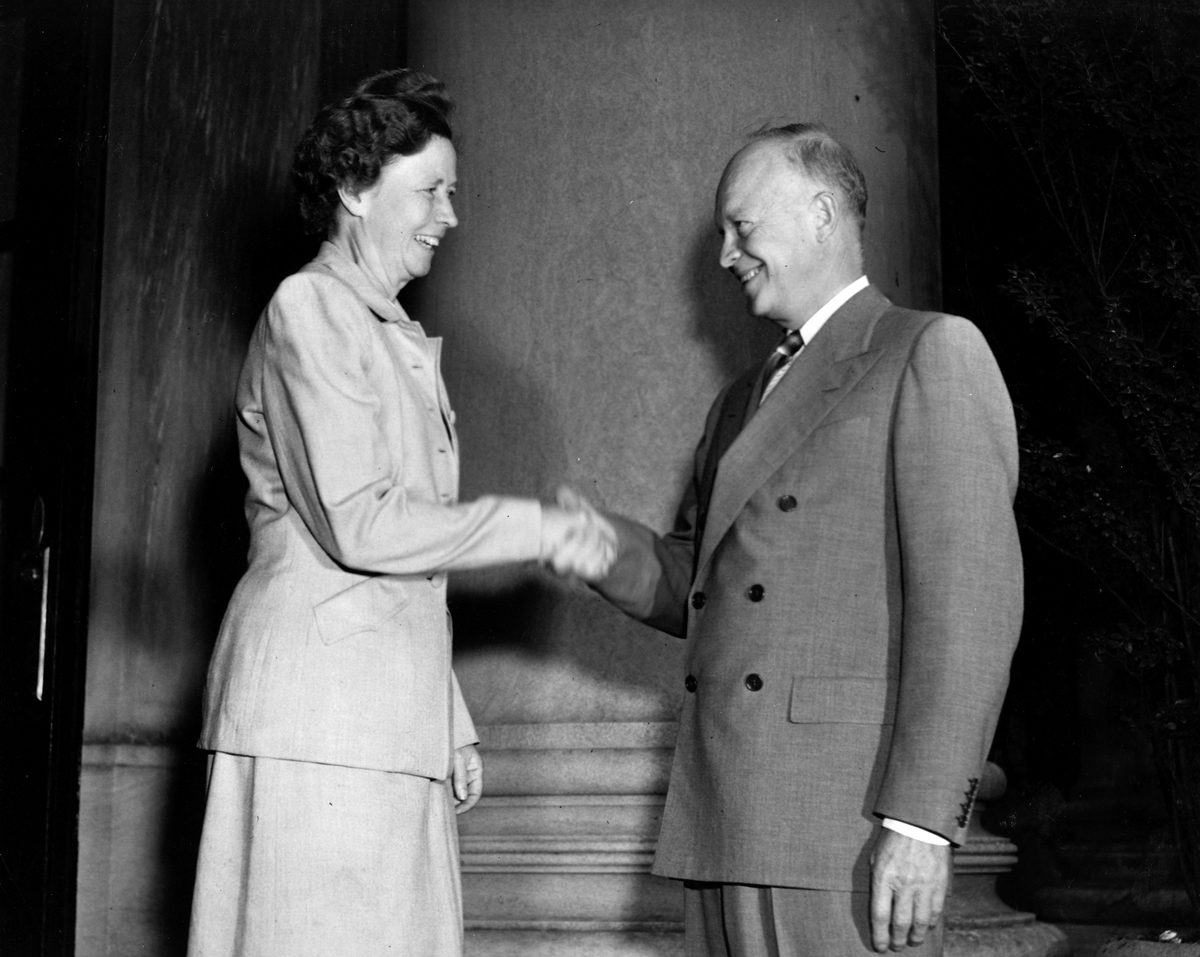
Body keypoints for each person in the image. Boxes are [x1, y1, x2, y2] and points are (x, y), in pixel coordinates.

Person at [564, 124, 1023, 956]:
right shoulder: (741, 399)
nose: (724, 255)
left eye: (742, 228)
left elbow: (973, 607)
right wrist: (600, 547)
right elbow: (702, 587)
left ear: (820, 213)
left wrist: (921, 822)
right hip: (722, 816)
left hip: (840, 832)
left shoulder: (928, 352)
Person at [186, 69, 614, 957]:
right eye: (430, 189)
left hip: (378, 719)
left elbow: (404, 564)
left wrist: (444, 716)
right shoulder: (310, 308)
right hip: (319, 721)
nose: (450, 216)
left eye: (452, 192)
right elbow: (365, 525)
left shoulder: (385, 330)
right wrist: (536, 527)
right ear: (353, 189)